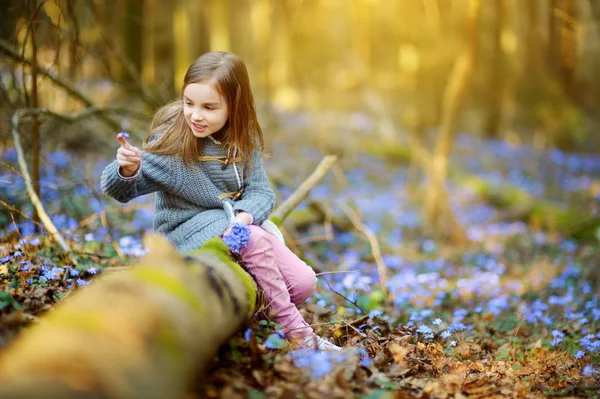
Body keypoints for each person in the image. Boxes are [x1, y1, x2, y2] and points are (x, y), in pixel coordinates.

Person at [100, 51, 340, 351]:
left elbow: (262, 192)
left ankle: (249, 323)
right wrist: (128, 168)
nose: (196, 115)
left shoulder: (243, 139)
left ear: (234, 107)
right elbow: (121, 189)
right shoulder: (174, 142)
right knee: (254, 240)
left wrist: (244, 216)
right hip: (185, 232)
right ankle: (300, 336)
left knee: (303, 282)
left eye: (209, 107)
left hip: (235, 226)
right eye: (189, 103)